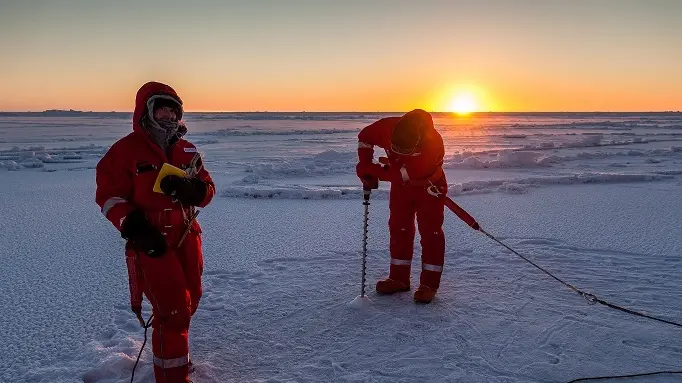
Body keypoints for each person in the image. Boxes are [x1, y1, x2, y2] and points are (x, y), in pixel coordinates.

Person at [96, 81, 215, 382]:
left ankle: (174, 358)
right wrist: (133, 226)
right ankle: (172, 377)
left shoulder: (187, 149)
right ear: (146, 112)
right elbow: (109, 197)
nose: (168, 116)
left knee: (191, 300)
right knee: (172, 309)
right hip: (151, 238)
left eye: (173, 111)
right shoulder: (125, 151)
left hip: (187, 235)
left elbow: (208, 190)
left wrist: (194, 189)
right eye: (160, 109)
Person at [356, 109, 447, 304]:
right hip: (401, 188)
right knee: (399, 228)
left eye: (404, 151)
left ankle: (429, 284)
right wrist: (364, 163)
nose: (397, 153)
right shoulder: (386, 127)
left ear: (418, 140)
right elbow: (364, 137)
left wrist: (373, 171)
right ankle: (399, 278)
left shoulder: (432, 144)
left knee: (430, 233)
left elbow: (403, 174)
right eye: (394, 148)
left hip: (429, 187)